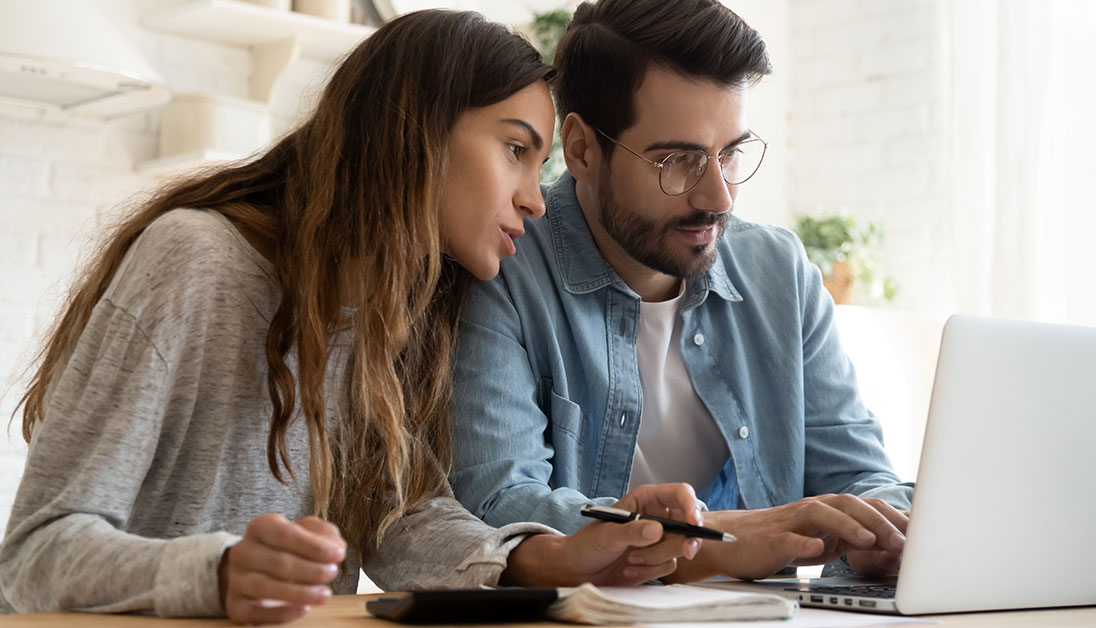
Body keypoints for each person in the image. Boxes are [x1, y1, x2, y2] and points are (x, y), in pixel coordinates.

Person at [0, 10, 705, 624]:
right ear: (415, 131)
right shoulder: (195, 259)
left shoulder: (405, 311)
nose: (536, 200)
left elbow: (398, 520)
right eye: (515, 149)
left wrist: (550, 558)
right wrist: (216, 573)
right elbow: (35, 552)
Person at [450, 0, 914, 583]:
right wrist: (716, 542)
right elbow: (496, 507)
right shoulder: (501, 267)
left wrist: (881, 533)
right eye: (678, 161)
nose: (719, 197)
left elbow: (859, 473)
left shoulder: (780, 273)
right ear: (582, 148)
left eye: (731, 153)